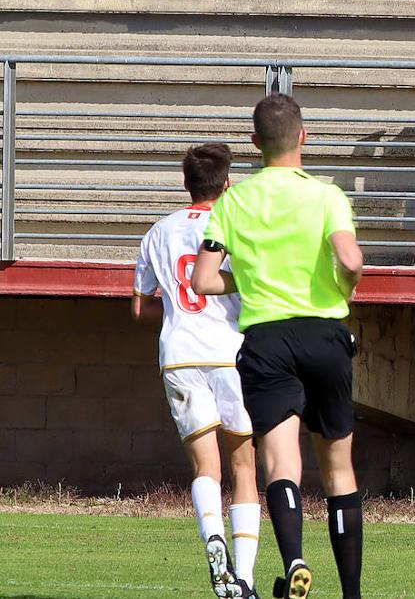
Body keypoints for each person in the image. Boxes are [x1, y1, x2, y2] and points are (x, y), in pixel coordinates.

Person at [191, 95, 365, 599]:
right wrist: (343, 287)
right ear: (304, 136)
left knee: (280, 465)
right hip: (324, 334)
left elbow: (204, 280)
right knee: (338, 468)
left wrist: (247, 280)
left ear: (254, 144)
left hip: (266, 339)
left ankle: (294, 561)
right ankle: (351, 594)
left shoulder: (232, 202)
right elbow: (350, 260)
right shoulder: (327, 195)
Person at [132, 143, 261, 599]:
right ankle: (243, 579)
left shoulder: (158, 232)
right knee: (244, 466)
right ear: (227, 183)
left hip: (180, 353)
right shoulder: (237, 226)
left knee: (207, 466)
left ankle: (213, 540)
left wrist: (174, 317)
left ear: (186, 185)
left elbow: (139, 309)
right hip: (233, 353)